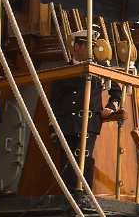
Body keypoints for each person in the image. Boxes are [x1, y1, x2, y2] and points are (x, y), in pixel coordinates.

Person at [49, 30, 122, 191]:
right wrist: (53, 128)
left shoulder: (100, 68)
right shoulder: (63, 70)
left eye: (93, 46)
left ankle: (84, 194)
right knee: (67, 159)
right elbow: (54, 102)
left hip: (89, 122)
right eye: (88, 45)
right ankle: (69, 196)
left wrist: (110, 107)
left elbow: (117, 93)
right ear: (77, 46)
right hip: (67, 123)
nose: (92, 50)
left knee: (85, 157)